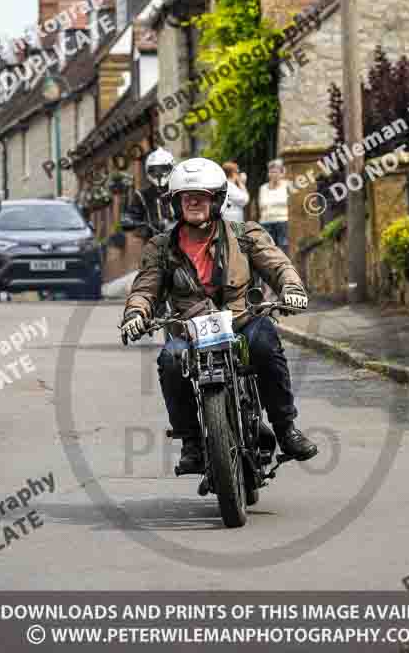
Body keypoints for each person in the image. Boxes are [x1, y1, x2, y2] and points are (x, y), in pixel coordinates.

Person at [120, 157, 317, 473]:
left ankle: (285, 429)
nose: (194, 202)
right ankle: (192, 443)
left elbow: (277, 264)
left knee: (265, 341)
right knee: (171, 359)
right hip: (190, 330)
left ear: (218, 199)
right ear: (176, 202)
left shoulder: (244, 233)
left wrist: (291, 288)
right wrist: (136, 313)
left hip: (241, 321)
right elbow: (146, 287)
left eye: (202, 196)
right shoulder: (160, 246)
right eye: (187, 197)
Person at [122, 147, 175, 242]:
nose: (159, 173)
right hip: (155, 241)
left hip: (182, 238)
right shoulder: (142, 195)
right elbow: (132, 215)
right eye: (154, 170)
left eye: (163, 169)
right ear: (148, 171)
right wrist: (130, 220)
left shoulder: (179, 191)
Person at [258, 158, 290, 256]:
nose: (273, 174)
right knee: (268, 250)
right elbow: (261, 206)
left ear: (281, 173)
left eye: (276, 172)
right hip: (266, 222)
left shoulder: (287, 185)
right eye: (271, 172)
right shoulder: (263, 188)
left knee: (283, 248)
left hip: (282, 221)